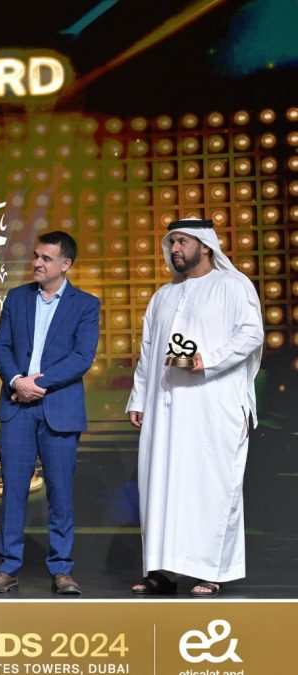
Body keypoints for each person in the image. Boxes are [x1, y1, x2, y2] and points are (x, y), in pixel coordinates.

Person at [127, 218, 263, 598]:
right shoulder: (163, 296)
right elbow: (149, 351)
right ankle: (162, 572)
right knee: (161, 486)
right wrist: (138, 397)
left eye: (183, 242)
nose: (175, 249)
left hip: (213, 404)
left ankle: (211, 572)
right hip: (165, 408)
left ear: (205, 245)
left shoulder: (233, 285)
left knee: (210, 487)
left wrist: (208, 360)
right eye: (171, 242)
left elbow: (252, 333)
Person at [0, 231, 100, 595]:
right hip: (16, 407)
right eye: (36, 256)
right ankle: (7, 568)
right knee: (13, 491)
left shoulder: (86, 304)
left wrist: (39, 384)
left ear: (65, 265)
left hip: (59, 409)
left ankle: (62, 569)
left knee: (60, 493)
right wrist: (17, 381)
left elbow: (82, 357)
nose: (36, 263)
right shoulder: (17, 297)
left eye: (46, 258)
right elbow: (0, 346)